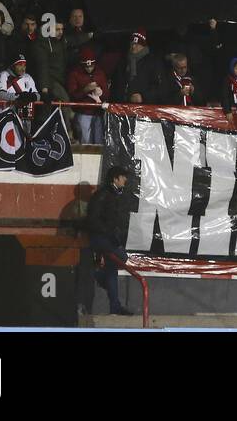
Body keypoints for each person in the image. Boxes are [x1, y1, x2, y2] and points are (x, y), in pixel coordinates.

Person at [85, 165, 133, 316]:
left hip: (106, 238)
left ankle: (115, 307)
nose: (125, 179)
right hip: (100, 238)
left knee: (112, 270)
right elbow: (93, 220)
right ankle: (98, 277)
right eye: (123, 176)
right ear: (115, 179)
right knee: (122, 257)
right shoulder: (103, 194)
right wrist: (109, 234)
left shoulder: (113, 194)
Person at [67, 47, 110, 143]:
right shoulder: (75, 74)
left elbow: (107, 94)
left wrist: (101, 93)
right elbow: (72, 96)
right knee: (86, 143)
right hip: (83, 113)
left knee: (99, 142)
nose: (89, 68)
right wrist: (85, 90)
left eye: (91, 66)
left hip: (98, 113)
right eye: (86, 66)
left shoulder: (100, 73)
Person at [113, 29, 161, 103]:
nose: (134, 46)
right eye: (132, 43)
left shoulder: (152, 62)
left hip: (145, 108)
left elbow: (158, 87)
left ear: (143, 46)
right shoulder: (123, 61)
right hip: (123, 106)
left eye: (137, 44)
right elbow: (117, 84)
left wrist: (143, 97)